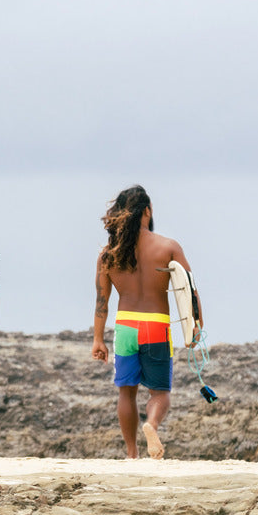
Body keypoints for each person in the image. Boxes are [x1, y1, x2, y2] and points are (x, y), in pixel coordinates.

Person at [91, 185, 204, 460]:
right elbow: (190, 291)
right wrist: (196, 325)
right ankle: (151, 425)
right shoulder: (168, 247)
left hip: (125, 326)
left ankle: (132, 454)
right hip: (156, 325)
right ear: (147, 211)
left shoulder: (108, 255)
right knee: (160, 392)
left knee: (126, 393)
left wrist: (98, 339)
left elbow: (101, 303)